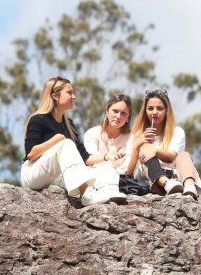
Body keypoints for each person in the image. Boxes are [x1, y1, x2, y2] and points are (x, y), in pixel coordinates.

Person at [21, 77, 127, 206]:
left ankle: (109, 194)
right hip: (33, 175)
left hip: (56, 177)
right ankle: (87, 195)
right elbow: (31, 154)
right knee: (66, 144)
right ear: (55, 96)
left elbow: (85, 158)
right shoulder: (38, 119)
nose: (74, 96)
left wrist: (106, 157)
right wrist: (57, 139)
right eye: (69, 93)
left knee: (105, 166)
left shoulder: (69, 124)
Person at [123, 89, 201, 199]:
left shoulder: (177, 132)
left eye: (159, 108)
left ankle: (189, 186)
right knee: (147, 150)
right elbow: (128, 172)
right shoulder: (137, 135)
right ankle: (166, 183)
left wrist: (156, 151)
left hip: (176, 178)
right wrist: (137, 147)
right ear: (145, 111)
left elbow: (172, 157)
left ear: (166, 110)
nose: (154, 112)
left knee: (184, 155)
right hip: (152, 183)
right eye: (150, 108)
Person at [83, 93, 132, 172]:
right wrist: (107, 157)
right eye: (115, 111)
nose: (118, 116)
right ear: (107, 111)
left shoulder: (132, 137)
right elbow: (90, 159)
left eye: (123, 113)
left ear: (128, 117)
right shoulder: (92, 133)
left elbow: (129, 166)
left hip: (123, 178)